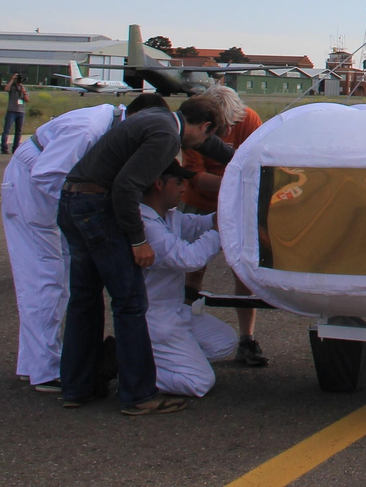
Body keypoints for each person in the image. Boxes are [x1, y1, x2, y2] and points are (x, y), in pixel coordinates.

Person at [57, 94, 232, 414]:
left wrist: (242, 160)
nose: (201, 147)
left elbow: (212, 146)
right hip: (96, 207)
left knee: (84, 299)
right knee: (130, 302)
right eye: (207, 136)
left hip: (72, 200)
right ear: (204, 125)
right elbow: (126, 187)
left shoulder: (157, 118)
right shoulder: (168, 137)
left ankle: (76, 387)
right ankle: (138, 394)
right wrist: (138, 241)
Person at [1, 94, 168, 392]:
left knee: (58, 281)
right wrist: (87, 214)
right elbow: (47, 175)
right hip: (33, 188)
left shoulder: (111, 125)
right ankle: (46, 370)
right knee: (44, 280)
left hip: (49, 191)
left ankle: (34, 363)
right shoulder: (89, 129)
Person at [179, 86, 269, 366]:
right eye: (223, 127)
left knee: (243, 271)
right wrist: (233, 182)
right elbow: (194, 176)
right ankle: (182, 332)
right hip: (201, 202)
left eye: (232, 124)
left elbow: (259, 160)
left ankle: (247, 339)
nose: (229, 130)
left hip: (238, 203)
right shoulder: (195, 128)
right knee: (192, 269)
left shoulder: (249, 119)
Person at [139, 161, 238, 397]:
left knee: (225, 341)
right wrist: (218, 232)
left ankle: (163, 359)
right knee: (199, 382)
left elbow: (198, 225)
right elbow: (188, 259)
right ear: (159, 184)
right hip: (156, 318)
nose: (184, 189)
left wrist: (224, 215)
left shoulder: (168, 216)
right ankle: (131, 371)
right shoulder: (146, 224)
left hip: (175, 311)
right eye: (178, 183)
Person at [2, 73, 29, 154]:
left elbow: (27, 100)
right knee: (7, 130)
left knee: (19, 131)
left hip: (21, 111)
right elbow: (6, 88)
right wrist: (12, 79)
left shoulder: (24, 88)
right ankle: (4, 148)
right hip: (12, 111)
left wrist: (24, 92)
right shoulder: (12, 87)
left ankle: (15, 148)